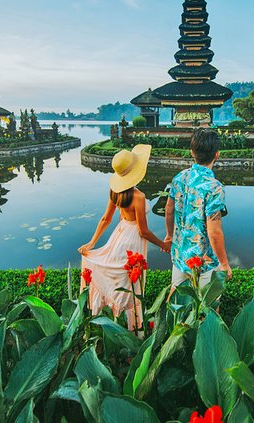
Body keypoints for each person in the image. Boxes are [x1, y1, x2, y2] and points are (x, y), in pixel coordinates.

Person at [79, 144, 169, 331]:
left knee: (120, 277)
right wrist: (162, 244)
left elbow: (105, 219)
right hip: (133, 240)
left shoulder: (115, 192)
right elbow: (143, 231)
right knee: (130, 283)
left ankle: (115, 319)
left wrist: (92, 243)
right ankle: (132, 328)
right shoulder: (139, 196)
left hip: (119, 236)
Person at [164, 128, 232, 289]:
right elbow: (214, 231)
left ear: (192, 152)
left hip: (180, 254)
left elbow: (168, 210)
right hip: (204, 260)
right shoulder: (214, 188)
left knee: (177, 304)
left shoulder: (180, 177)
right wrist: (224, 263)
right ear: (217, 155)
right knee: (208, 307)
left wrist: (168, 236)